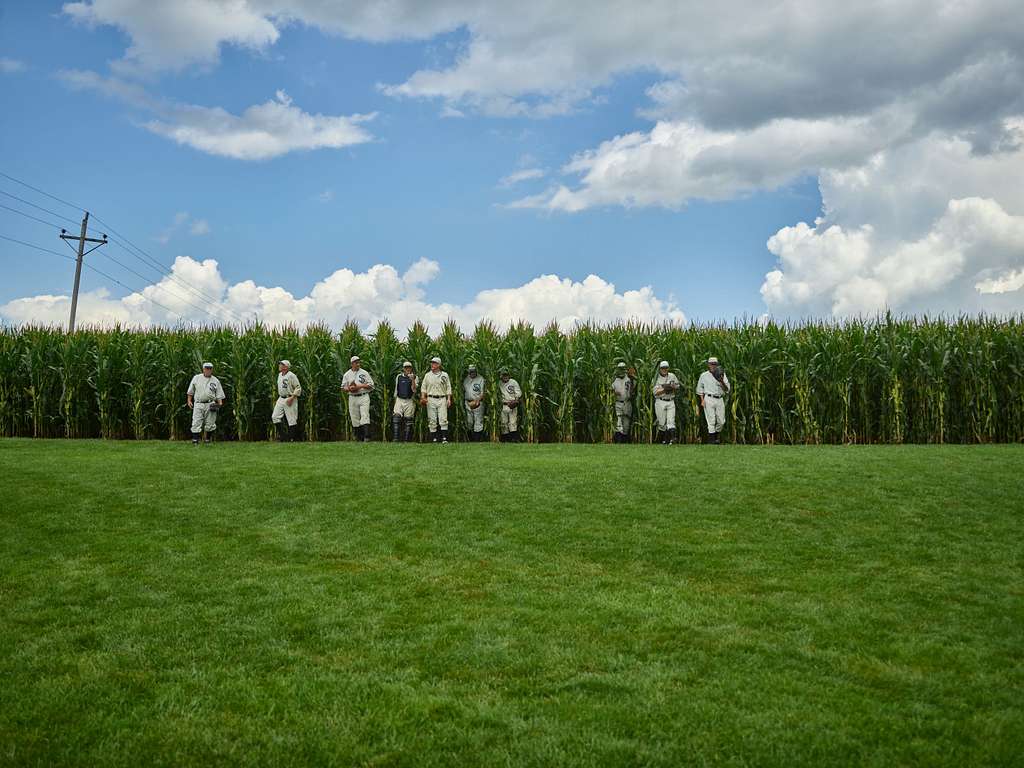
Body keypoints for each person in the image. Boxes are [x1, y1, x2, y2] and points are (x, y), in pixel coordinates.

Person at [186, 362, 225, 445]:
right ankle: (195, 440)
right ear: (203, 369)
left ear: (212, 369)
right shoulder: (196, 378)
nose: (208, 370)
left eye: (210, 368)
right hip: (198, 403)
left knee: (210, 422)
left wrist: (220, 404)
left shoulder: (215, 380)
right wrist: (189, 400)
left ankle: (207, 440)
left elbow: (219, 394)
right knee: (196, 421)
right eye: (206, 368)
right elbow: (190, 391)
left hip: (210, 404)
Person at [697, 356, 731, 444]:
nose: (713, 366)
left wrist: (721, 381)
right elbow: (699, 389)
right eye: (711, 364)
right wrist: (702, 400)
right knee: (711, 420)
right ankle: (712, 440)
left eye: (715, 364)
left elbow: (727, 390)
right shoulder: (703, 375)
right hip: (708, 398)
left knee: (721, 421)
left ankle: (716, 435)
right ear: (708, 365)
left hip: (719, 399)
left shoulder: (722, 374)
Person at [419, 356, 453, 443]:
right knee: (432, 419)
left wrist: (449, 399)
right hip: (430, 399)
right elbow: (423, 388)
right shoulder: (427, 375)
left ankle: (444, 438)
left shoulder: (444, 375)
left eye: (434, 363)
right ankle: (434, 439)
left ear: (439, 365)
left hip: (442, 398)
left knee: (443, 418)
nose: (432, 364)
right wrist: (423, 397)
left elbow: (448, 387)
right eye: (432, 363)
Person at [341, 355, 374, 442]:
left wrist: (359, 386)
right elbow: (343, 387)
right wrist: (350, 388)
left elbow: (371, 385)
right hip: (352, 397)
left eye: (359, 362)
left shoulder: (364, 373)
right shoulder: (347, 374)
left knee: (365, 415)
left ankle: (367, 437)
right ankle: (358, 438)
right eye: (356, 362)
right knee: (354, 417)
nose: (358, 364)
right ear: (352, 364)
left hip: (363, 396)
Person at [272, 359, 302, 442]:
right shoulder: (279, 375)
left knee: (291, 419)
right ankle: (283, 437)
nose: (279, 365)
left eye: (281, 364)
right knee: (275, 417)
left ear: (286, 367)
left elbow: (298, 387)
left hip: (290, 398)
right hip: (281, 398)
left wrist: (292, 398)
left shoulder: (291, 375)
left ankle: (291, 438)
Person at [653, 360, 680, 445]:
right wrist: (665, 389)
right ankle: (663, 440)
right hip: (660, 401)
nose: (664, 369)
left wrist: (673, 387)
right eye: (662, 368)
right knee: (662, 423)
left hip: (670, 400)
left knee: (671, 422)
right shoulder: (656, 378)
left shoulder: (672, 376)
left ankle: (672, 439)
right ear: (660, 369)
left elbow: (677, 386)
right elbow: (655, 393)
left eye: (666, 368)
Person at [392, 361, 418, 443]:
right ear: (403, 369)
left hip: (409, 400)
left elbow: (414, 390)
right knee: (396, 417)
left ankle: (407, 440)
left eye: (409, 367)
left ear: (411, 368)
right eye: (406, 367)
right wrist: (395, 400)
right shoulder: (399, 377)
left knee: (408, 419)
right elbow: (396, 389)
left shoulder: (415, 377)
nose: (408, 369)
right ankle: (396, 439)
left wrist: (412, 380)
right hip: (399, 399)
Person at [611, 362, 635, 443]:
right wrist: (614, 393)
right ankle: (618, 441)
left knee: (626, 424)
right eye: (620, 369)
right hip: (617, 403)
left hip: (627, 403)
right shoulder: (614, 380)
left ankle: (624, 441)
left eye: (623, 369)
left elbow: (633, 392)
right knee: (618, 422)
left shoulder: (629, 379)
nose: (621, 371)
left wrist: (632, 378)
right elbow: (609, 391)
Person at [498, 368, 522, 442]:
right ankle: (505, 439)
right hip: (503, 405)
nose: (505, 377)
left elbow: (518, 392)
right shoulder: (499, 383)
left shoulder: (513, 382)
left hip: (512, 405)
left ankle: (513, 439)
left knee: (512, 422)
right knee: (504, 422)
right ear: (501, 376)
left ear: (509, 375)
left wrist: (515, 401)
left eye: (507, 375)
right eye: (504, 375)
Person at [463, 364, 486, 441]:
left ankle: (477, 440)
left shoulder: (480, 379)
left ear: (476, 371)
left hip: (478, 402)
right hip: (468, 402)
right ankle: (470, 439)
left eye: (473, 371)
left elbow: (483, 392)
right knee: (469, 422)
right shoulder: (466, 379)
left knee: (478, 421)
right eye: (470, 371)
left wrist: (478, 401)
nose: (472, 373)